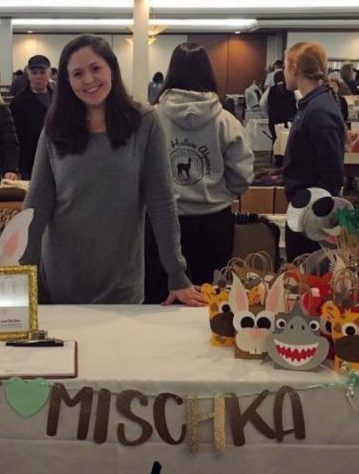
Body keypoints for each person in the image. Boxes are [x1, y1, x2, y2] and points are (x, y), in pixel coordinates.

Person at [23, 34, 203, 306]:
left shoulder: (144, 122)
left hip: (121, 282)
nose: (88, 80)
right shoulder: (54, 128)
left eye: (96, 69)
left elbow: (161, 203)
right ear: (66, 81)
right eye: (77, 73)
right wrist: (18, 272)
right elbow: (37, 204)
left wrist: (177, 275)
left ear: (112, 71)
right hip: (60, 278)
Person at [146, 42, 254, 298]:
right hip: (214, 221)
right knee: (211, 300)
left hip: (163, 222)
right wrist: (220, 189)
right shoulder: (225, 120)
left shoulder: (152, 118)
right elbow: (242, 176)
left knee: (159, 299)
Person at [280, 41, 346, 260]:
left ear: (294, 66)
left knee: (307, 280)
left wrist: (320, 220)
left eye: (284, 67)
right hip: (304, 206)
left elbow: (332, 171)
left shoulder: (319, 110)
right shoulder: (313, 104)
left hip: (313, 213)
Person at [9, 55, 54, 180]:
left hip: (56, 160)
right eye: (34, 72)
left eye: (42, 72)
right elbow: (14, 137)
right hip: (30, 163)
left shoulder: (59, 99)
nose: (38, 76)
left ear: (49, 73)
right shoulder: (18, 102)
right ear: (28, 74)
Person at [262, 70, 298, 140]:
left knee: (276, 141)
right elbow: (300, 100)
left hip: (274, 121)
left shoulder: (270, 90)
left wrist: (269, 114)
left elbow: (262, 104)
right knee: (288, 142)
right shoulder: (292, 89)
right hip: (289, 121)